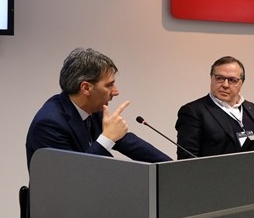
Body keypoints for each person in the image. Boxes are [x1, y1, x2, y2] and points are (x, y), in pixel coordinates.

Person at [25, 48, 171, 169]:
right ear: (86, 88)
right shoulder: (50, 123)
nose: (116, 91)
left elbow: (130, 144)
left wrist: (172, 168)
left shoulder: (94, 111)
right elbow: (73, 176)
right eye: (109, 85)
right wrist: (106, 138)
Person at [175, 56, 254, 158]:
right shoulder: (193, 112)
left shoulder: (251, 108)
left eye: (232, 80)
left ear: (241, 83)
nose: (225, 85)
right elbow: (187, 159)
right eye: (220, 78)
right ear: (211, 78)